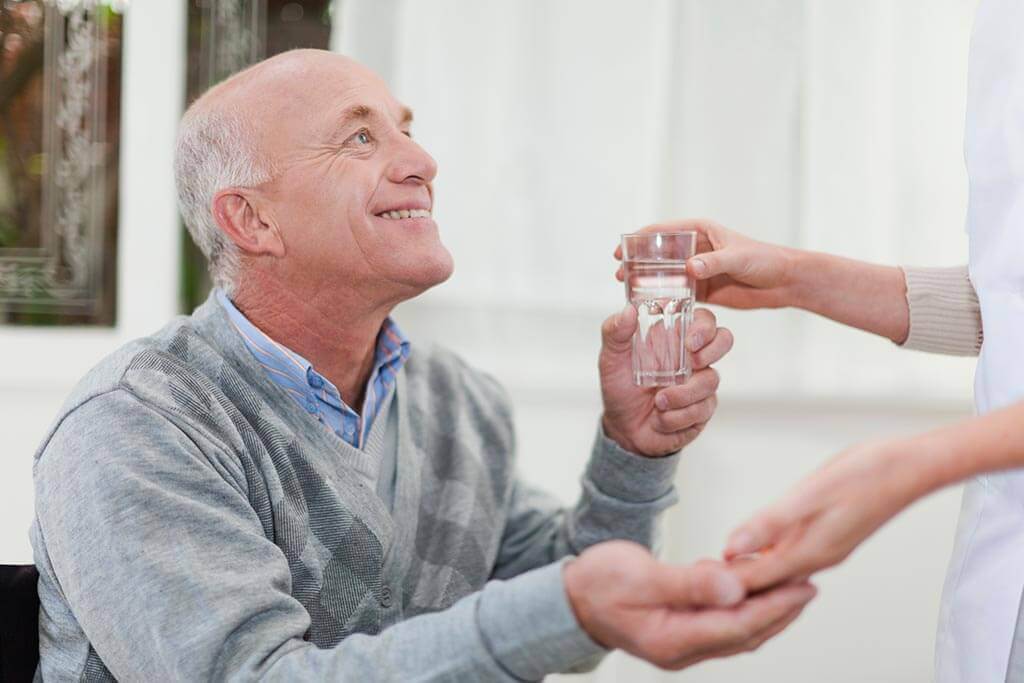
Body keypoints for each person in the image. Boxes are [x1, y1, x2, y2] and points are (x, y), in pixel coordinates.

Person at [29, 50, 815, 681]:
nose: (423, 160)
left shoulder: (456, 400)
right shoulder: (135, 426)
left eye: (407, 129)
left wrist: (633, 452)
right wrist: (563, 606)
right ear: (253, 219)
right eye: (361, 137)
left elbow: (569, 622)